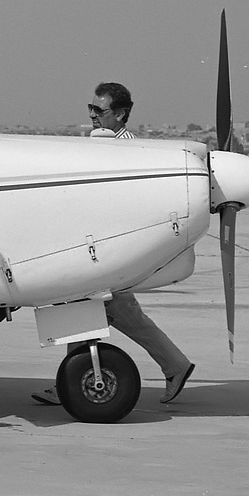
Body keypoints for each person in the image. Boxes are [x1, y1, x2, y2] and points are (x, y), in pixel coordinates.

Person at [33, 82, 197, 406]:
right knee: (97, 311)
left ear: (121, 113)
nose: (93, 115)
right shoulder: (104, 143)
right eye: (90, 108)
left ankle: (73, 383)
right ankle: (173, 365)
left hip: (113, 251)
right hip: (102, 249)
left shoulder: (127, 150)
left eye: (100, 110)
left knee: (84, 307)